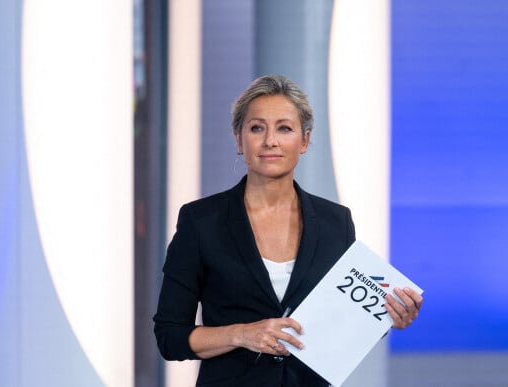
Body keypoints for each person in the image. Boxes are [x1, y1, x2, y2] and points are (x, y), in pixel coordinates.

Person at [153, 75, 423, 386]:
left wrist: (388, 317)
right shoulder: (201, 221)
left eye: (284, 128)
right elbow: (169, 336)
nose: (270, 141)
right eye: (257, 128)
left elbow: (342, 324)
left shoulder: (336, 221)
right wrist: (242, 334)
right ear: (239, 140)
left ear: (304, 141)